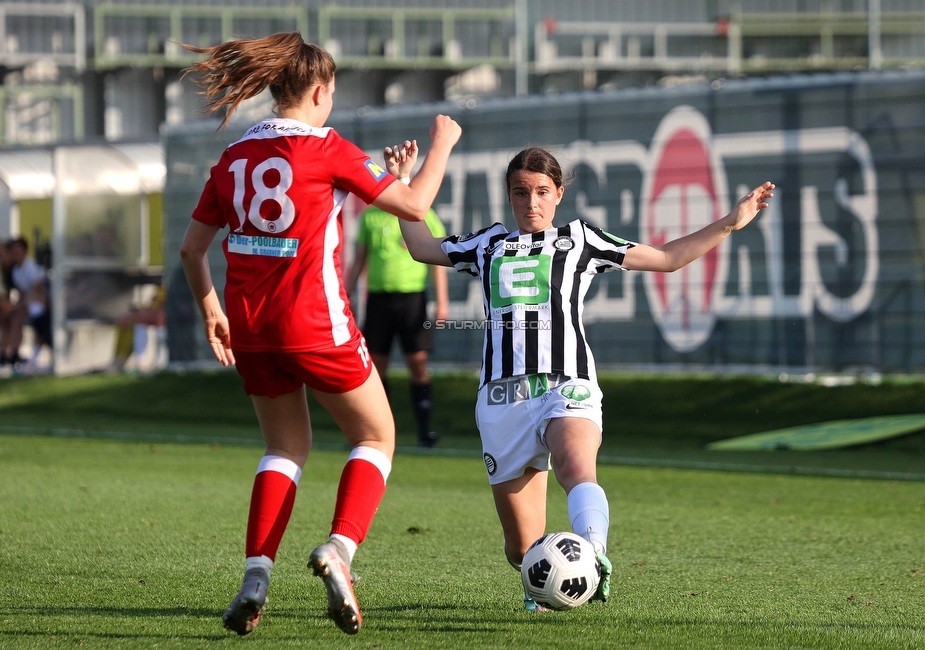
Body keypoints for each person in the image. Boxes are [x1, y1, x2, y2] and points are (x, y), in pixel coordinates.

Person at [396, 144, 774, 612]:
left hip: (566, 383)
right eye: (520, 192)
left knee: (576, 467)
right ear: (509, 197)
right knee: (521, 549)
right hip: (501, 401)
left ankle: (593, 554)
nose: (530, 202)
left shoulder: (582, 240)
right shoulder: (487, 245)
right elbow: (419, 246)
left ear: (558, 195)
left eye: (540, 192)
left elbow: (667, 258)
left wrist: (730, 223)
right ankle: (543, 576)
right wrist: (404, 184)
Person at [177, 32, 461, 636]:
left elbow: (192, 249)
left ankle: (256, 576)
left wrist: (211, 312)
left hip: (251, 327)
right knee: (377, 435)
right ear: (318, 91)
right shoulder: (327, 148)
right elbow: (414, 206)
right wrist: (442, 145)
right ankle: (339, 549)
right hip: (314, 323)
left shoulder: (233, 158)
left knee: (283, 449)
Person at [345, 153, 449, 448]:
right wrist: (346, 291)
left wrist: (442, 301)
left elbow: (438, 260)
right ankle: (377, 431)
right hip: (378, 299)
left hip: (412, 299)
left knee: (418, 363)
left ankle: (424, 431)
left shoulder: (422, 213)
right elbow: (359, 259)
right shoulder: (371, 215)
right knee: (375, 367)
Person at [1, 237, 51, 367]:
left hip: (41, 304)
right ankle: (13, 352)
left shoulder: (32, 266)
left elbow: (38, 291)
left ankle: (39, 350)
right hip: (27, 303)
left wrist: (20, 306)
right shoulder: (16, 271)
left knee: (33, 312)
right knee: (12, 317)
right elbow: (22, 294)